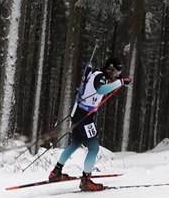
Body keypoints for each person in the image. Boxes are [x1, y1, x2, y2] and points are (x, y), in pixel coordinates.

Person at [48, 56, 132, 191]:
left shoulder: (98, 73)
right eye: (116, 72)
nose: (117, 75)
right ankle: (86, 180)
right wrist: (121, 82)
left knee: (75, 143)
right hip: (85, 117)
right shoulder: (100, 77)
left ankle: (56, 172)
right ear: (110, 69)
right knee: (93, 148)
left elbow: (103, 85)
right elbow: (101, 90)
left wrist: (119, 81)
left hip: (78, 113)